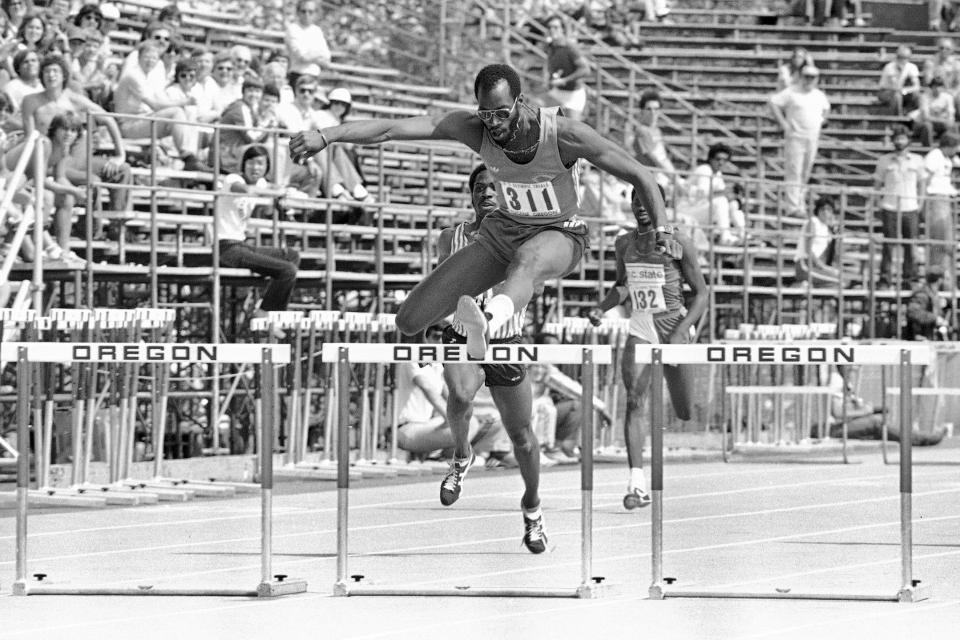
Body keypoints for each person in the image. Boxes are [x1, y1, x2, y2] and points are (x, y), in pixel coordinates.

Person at [289, 63, 667, 359]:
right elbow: (391, 129)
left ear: (521, 103)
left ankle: (487, 321)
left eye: (501, 113)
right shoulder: (474, 127)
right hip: (504, 232)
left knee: (528, 260)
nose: (494, 124)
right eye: (486, 114)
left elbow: (640, 175)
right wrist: (328, 135)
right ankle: (473, 332)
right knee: (408, 320)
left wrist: (662, 229)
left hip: (560, 233)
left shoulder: (565, 134)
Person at [434, 164, 547, 553]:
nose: (486, 193)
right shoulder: (451, 237)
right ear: (470, 196)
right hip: (463, 336)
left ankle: (532, 509)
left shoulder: (527, 239)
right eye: (479, 188)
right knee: (462, 394)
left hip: (506, 339)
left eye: (493, 188)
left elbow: (535, 279)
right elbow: (439, 286)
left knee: (522, 438)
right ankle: (462, 455)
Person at [588, 189, 707, 510]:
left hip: (674, 323)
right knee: (635, 401)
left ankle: (679, 399)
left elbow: (702, 294)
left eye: (647, 201)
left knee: (684, 412)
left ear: (661, 205)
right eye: (635, 201)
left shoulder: (679, 241)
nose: (641, 208)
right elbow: (623, 285)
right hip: (641, 325)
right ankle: (636, 483)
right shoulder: (624, 243)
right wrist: (603, 307)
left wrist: (681, 333)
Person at [216, 145, 300, 316]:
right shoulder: (232, 179)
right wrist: (273, 192)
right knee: (287, 270)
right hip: (226, 248)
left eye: (260, 164)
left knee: (292, 256)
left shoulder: (261, 184)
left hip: (242, 245)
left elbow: (274, 189)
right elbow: (241, 189)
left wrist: (283, 193)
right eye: (251, 163)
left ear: (266, 167)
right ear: (243, 164)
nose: (255, 168)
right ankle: (265, 312)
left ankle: (267, 304)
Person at [113, 40, 206, 172]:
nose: (150, 61)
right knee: (176, 112)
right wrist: (184, 102)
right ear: (139, 57)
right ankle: (188, 157)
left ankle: (193, 158)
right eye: (147, 57)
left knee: (188, 115)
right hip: (129, 125)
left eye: (154, 58)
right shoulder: (133, 75)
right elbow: (155, 105)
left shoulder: (151, 76)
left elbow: (160, 100)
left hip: (144, 120)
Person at [828, 364, 946, 445]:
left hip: (844, 425)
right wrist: (866, 411)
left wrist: (867, 408)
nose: (857, 368)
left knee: (882, 421)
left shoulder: (846, 381)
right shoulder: (837, 381)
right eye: (853, 366)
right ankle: (921, 438)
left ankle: (916, 436)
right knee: (876, 422)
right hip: (834, 428)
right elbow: (838, 412)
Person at [770, 64, 830, 217]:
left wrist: (822, 120)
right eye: (807, 76)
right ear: (801, 77)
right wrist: (783, 124)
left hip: (812, 137)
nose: (809, 80)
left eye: (812, 77)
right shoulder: (792, 92)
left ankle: (800, 204)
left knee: (805, 171)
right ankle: (792, 206)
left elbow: (826, 108)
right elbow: (773, 103)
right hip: (795, 136)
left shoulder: (818, 95)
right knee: (794, 171)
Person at [873, 125, 924, 289]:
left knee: (910, 245)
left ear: (908, 140)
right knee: (888, 244)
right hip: (890, 206)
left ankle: (909, 279)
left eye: (902, 138)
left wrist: (920, 202)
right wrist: (878, 202)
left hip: (910, 206)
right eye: (897, 138)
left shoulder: (917, 160)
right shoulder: (884, 160)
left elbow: (922, 183)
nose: (899, 141)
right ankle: (885, 279)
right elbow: (877, 184)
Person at [676, 142, 746, 246]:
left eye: (724, 160)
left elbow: (722, 195)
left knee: (733, 204)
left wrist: (734, 198)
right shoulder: (705, 170)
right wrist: (725, 192)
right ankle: (725, 237)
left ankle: (742, 235)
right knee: (721, 201)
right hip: (686, 209)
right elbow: (702, 194)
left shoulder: (717, 174)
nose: (721, 163)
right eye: (718, 159)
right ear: (711, 158)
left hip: (700, 209)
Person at [923, 130, 959, 284]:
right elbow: (925, 178)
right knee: (938, 237)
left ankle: (945, 273)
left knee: (948, 240)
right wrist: (923, 201)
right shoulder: (935, 156)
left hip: (946, 198)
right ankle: (935, 270)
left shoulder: (947, 158)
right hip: (936, 198)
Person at [631, 89, 679, 195]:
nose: (653, 112)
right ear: (642, 111)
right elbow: (649, 156)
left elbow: (662, 156)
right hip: (649, 177)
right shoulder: (642, 130)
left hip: (659, 175)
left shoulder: (657, 131)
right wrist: (669, 175)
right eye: (649, 109)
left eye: (656, 109)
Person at [544, 15, 589, 121]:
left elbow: (585, 69)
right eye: (549, 27)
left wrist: (564, 80)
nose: (552, 30)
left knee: (571, 134)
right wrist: (547, 76)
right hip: (557, 92)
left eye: (556, 27)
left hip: (573, 94)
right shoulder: (551, 46)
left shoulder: (570, 47)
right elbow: (550, 63)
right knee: (547, 130)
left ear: (563, 29)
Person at [795, 195, 847, 286]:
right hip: (805, 265)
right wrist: (824, 267)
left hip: (816, 267)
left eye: (829, 210)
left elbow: (835, 255)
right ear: (817, 211)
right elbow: (808, 250)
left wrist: (835, 233)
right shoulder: (813, 222)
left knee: (843, 278)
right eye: (822, 209)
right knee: (840, 282)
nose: (825, 212)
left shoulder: (827, 229)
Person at [284, 0, 330, 89]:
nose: (306, 14)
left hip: (315, 76)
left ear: (315, 13)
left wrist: (311, 55)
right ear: (298, 12)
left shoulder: (317, 31)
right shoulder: (293, 29)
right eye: (303, 11)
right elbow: (303, 57)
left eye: (310, 12)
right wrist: (319, 54)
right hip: (298, 76)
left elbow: (327, 60)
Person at [906, 266, 951, 341]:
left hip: (929, 340)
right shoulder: (922, 294)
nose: (948, 282)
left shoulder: (933, 294)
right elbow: (913, 312)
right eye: (947, 279)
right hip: (920, 341)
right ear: (939, 280)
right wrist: (935, 318)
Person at [878, 45, 921, 116]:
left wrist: (906, 90)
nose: (903, 60)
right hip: (885, 92)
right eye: (900, 57)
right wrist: (899, 71)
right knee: (897, 96)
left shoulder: (912, 67)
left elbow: (916, 86)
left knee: (917, 96)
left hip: (900, 92)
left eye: (905, 57)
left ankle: (908, 114)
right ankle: (898, 119)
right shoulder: (890, 67)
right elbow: (896, 87)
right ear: (897, 57)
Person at [914, 77, 955, 147]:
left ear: (943, 88)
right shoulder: (924, 97)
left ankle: (949, 148)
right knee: (927, 125)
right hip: (921, 124)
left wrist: (948, 121)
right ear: (931, 87)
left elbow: (951, 116)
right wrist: (943, 120)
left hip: (940, 124)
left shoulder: (948, 97)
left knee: (952, 126)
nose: (937, 89)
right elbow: (925, 117)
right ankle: (928, 149)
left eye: (940, 86)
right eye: (935, 86)